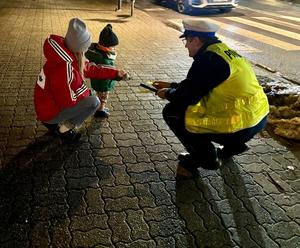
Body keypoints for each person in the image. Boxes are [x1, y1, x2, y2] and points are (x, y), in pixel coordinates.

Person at [153, 19, 269, 178]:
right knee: (199, 108)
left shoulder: (209, 60)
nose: (186, 45)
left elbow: (187, 96)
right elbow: (201, 84)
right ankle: (233, 147)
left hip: (240, 125)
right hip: (257, 118)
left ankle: (205, 158)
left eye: (186, 40)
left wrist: (167, 93)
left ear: (195, 39)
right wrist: (172, 85)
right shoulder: (222, 51)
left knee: (172, 111)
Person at [34, 18, 127, 142]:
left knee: (90, 97)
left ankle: (54, 124)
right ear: (80, 47)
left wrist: (115, 73)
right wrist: (86, 94)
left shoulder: (68, 56)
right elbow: (67, 100)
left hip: (47, 107)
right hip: (49, 112)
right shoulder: (64, 67)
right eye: (86, 47)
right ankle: (65, 129)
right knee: (94, 102)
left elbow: (91, 69)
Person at [85, 24, 120, 118]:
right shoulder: (104, 59)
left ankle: (100, 108)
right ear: (104, 46)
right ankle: (100, 110)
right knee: (103, 97)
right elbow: (109, 72)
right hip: (104, 83)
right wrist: (119, 76)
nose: (114, 49)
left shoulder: (95, 52)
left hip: (97, 81)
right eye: (112, 47)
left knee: (99, 95)